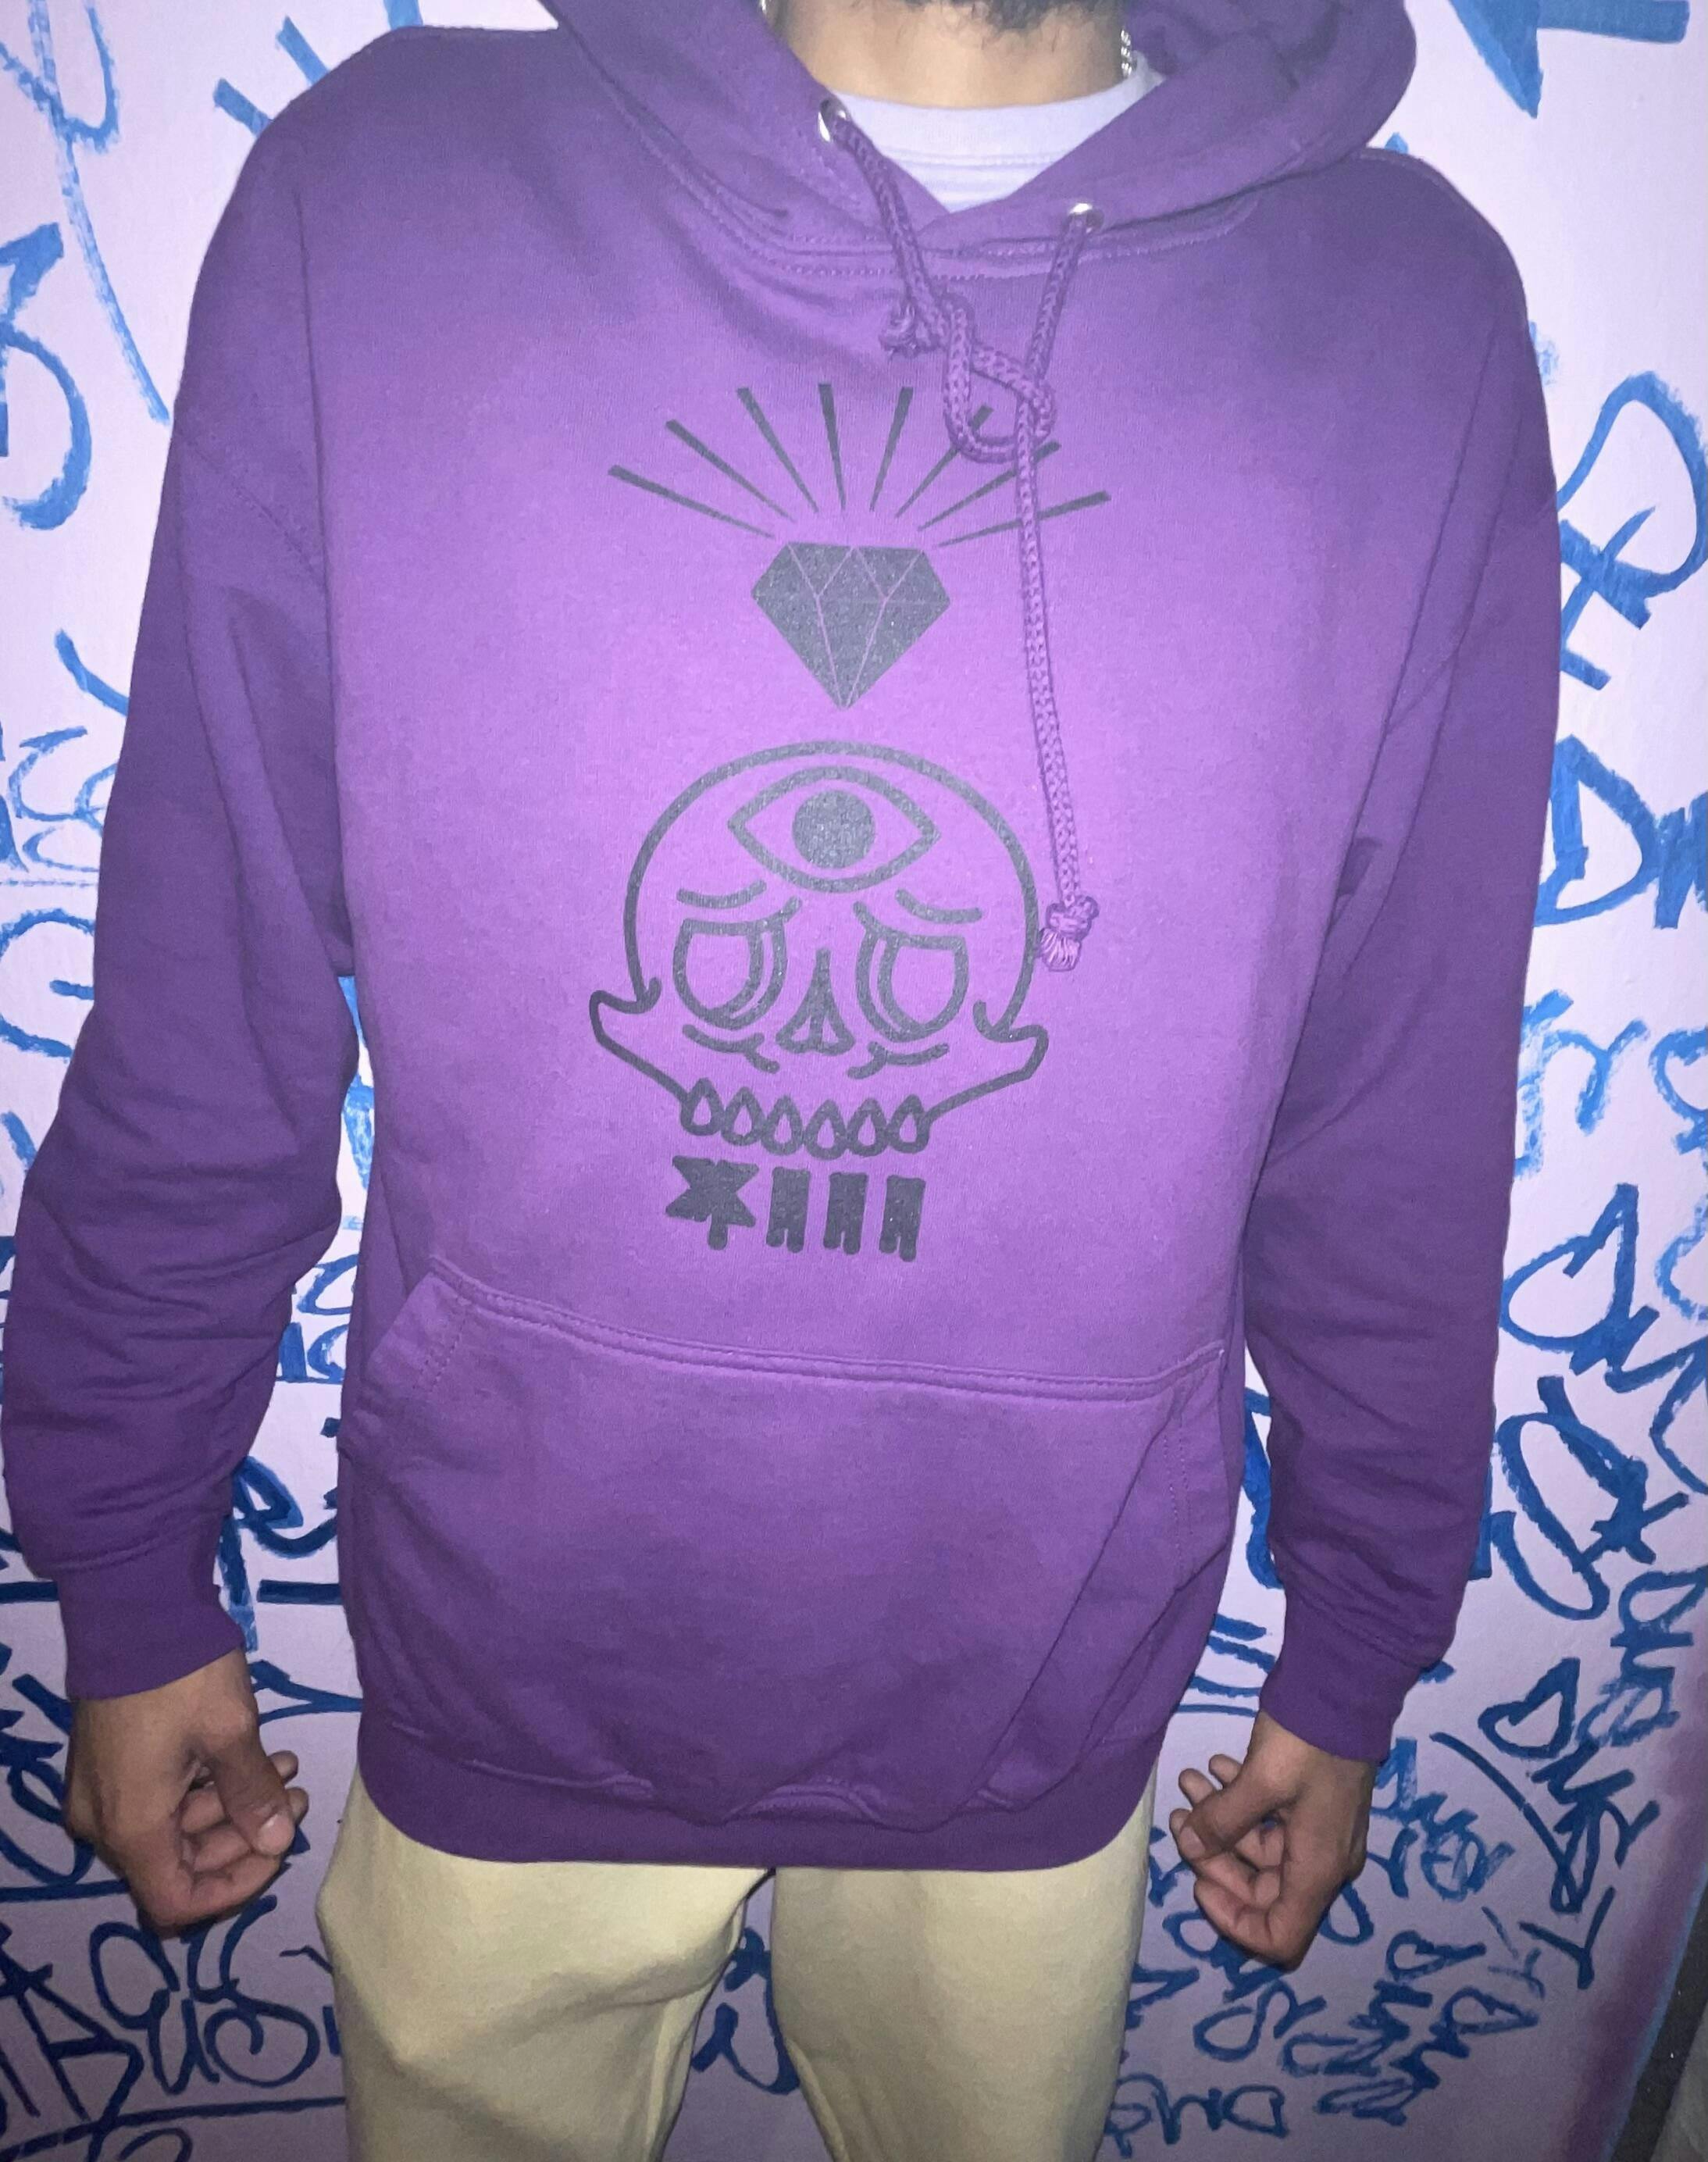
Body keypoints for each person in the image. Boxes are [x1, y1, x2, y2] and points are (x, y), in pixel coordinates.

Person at [0, 0, 1561, 2154]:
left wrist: (1360, 1631)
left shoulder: (1403, 319)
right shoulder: (392, 201)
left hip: (1040, 1664)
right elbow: (211, 961)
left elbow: (1398, 1078)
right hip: (512, 1625)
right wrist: (126, 1567)